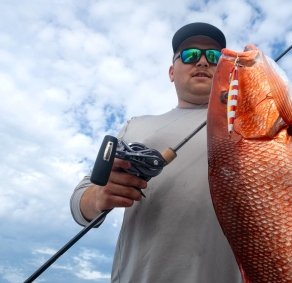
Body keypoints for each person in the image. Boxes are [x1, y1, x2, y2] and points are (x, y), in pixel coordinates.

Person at [70, 22, 243, 283]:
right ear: (172, 72)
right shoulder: (136, 125)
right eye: (190, 55)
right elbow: (79, 202)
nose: (203, 62)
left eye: (215, 56)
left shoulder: (255, 130)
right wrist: (99, 197)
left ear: (227, 73)